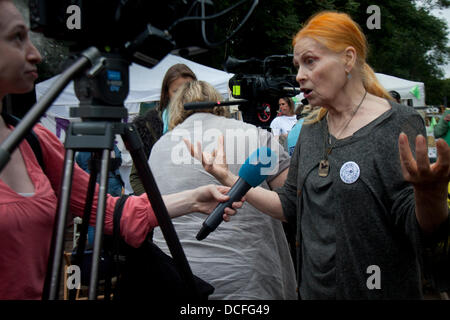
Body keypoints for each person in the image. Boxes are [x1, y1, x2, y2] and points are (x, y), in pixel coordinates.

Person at [189, 11, 450, 299]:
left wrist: (430, 196)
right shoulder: (310, 129)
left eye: (310, 61)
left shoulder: (399, 123)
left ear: (348, 59)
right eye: (297, 65)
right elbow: (291, 205)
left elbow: (421, 231)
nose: (299, 75)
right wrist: (230, 178)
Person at [0, 0, 242, 300]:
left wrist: (194, 199)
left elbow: (114, 213)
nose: (34, 53)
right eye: (16, 37)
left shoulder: (35, 141)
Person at [149, 80, 297, 299]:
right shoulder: (254, 136)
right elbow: (291, 202)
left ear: (177, 108)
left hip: (175, 276)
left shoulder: (159, 147)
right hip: (248, 279)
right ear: (220, 104)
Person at [129, 64, 197, 195]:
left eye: (188, 90)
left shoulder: (206, 123)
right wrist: (158, 205)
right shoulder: (148, 126)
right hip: (164, 205)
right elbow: (136, 177)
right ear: (166, 93)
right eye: (177, 91)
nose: (183, 97)